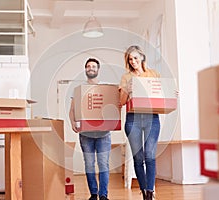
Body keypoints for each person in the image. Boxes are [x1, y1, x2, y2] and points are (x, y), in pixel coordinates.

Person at [119, 45, 160, 200]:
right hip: (133, 119)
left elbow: (161, 95)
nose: (133, 61)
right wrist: (127, 89)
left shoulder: (154, 74)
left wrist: (171, 92)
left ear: (142, 57)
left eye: (136, 58)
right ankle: (144, 191)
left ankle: (150, 192)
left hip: (152, 118)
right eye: (130, 59)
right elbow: (121, 102)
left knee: (150, 155)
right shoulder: (126, 77)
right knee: (138, 158)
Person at [69, 58, 111, 200]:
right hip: (86, 134)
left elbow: (112, 108)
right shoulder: (79, 90)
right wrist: (72, 121)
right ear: (85, 69)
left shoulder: (105, 89)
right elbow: (72, 109)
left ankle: (103, 194)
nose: (91, 68)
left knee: (103, 163)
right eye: (88, 66)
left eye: (93, 66)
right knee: (89, 164)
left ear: (98, 70)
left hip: (103, 134)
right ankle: (94, 193)